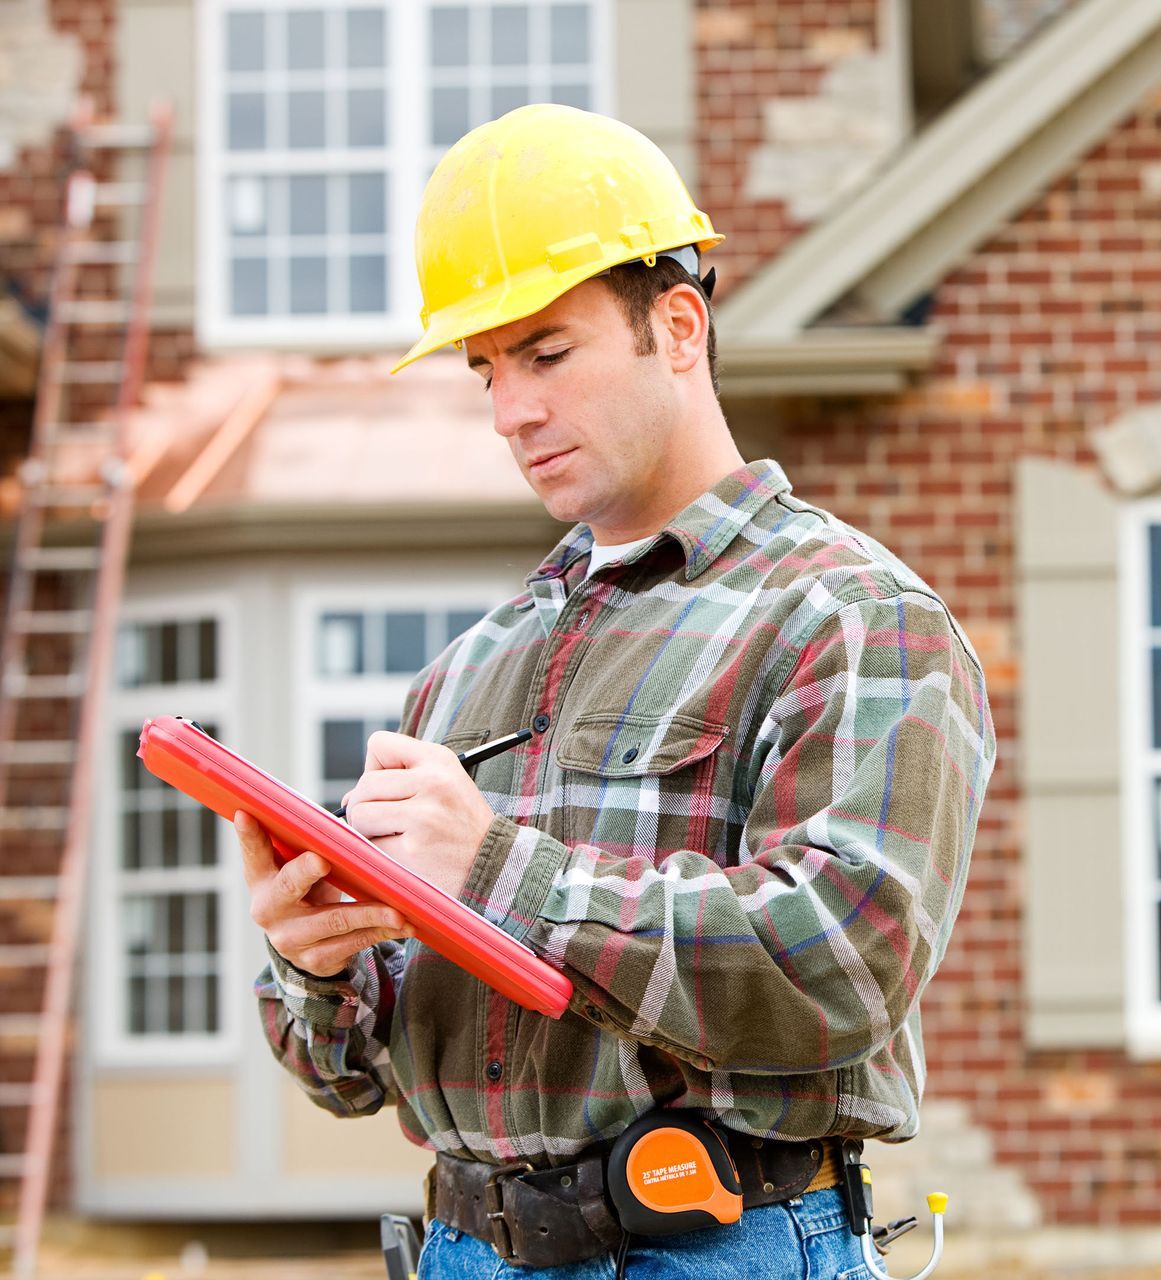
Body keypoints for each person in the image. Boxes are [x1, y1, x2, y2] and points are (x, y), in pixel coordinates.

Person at [236, 104, 995, 1279]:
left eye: (546, 353)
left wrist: (496, 868)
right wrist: (320, 962)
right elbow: (355, 1072)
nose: (510, 411)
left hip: (715, 1241)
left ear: (677, 326)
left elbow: (843, 958)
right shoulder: (468, 670)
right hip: (463, 1249)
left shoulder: (851, 616)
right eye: (485, 367)